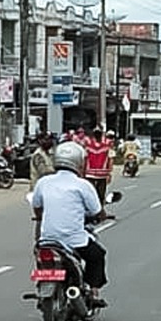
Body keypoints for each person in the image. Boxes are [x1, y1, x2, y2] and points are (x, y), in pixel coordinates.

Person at [31, 141, 111, 307]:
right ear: (79, 162)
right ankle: (93, 292)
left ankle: (44, 285)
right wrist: (102, 216)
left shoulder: (44, 182)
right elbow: (97, 212)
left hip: (47, 240)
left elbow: (37, 208)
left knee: (41, 259)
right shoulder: (82, 185)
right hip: (74, 241)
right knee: (97, 255)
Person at [84, 128, 113, 206]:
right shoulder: (107, 145)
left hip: (91, 173)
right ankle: (99, 210)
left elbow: (84, 159)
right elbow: (111, 159)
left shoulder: (88, 144)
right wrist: (109, 173)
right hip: (101, 174)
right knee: (100, 194)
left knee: (92, 193)